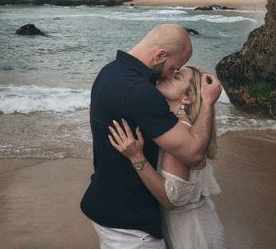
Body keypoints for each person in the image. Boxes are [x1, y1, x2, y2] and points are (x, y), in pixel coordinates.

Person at [80, 24, 222, 249]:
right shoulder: (140, 91)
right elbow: (194, 154)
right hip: (131, 225)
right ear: (160, 56)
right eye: (173, 67)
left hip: (108, 207)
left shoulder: (110, 72)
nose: (170, 74)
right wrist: (209, 103)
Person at [108, 66, 226, 249]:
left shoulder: (181, 131)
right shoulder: (181, 127)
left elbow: (171, 198)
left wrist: (136, 157)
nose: (168, 75)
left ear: (187, 98)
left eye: (177, 76)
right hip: (194, 226)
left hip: (191, 235)